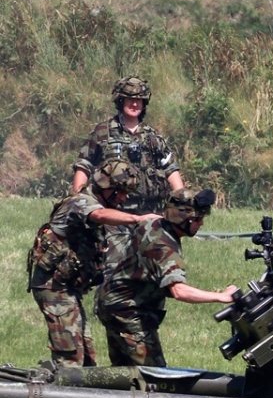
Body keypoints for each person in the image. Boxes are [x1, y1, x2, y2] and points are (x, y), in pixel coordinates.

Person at [28, 160, 158, 372]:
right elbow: (98, 215)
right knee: (69, 358)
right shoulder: (81, 202)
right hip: (53, 289)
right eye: (121, 192)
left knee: (87, 357)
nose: (124, 198)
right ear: (108, 188)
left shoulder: (96, 203)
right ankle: (59, 396)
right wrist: (138, 219)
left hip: (68, 289)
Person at [95, 187, 238, 367]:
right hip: (128, 313)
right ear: (182, 218)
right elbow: (179, 291)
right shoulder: (163, 247)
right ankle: (74, 385)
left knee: (124, 372)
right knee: (153, 376)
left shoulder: (155, 224)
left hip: (114, 303)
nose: (201, 224)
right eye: (197, 219)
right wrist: (221, 296)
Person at [72, 76, 184, 214]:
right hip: (113, 213)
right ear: (121, 100)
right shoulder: (103, 132)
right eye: (131, 99)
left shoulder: (153, 136)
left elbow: (170, 169)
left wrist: (182, 201)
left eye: (139, 100)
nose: (135, 104)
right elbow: (84, 165)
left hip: (149, 213)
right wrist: (78, 200)